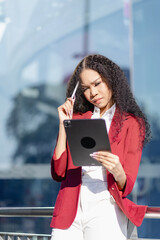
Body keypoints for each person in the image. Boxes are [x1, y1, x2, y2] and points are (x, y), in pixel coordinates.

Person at [50, 54, 151, 240]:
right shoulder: (77, 118)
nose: (93, 93)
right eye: (86, 88)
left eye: (97, 83)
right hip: (70, 205)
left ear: (111, 80)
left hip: (106, 205)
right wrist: (63, 125)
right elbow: (58, 172)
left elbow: (126, 185)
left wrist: (117, 169)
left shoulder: (132, 123)